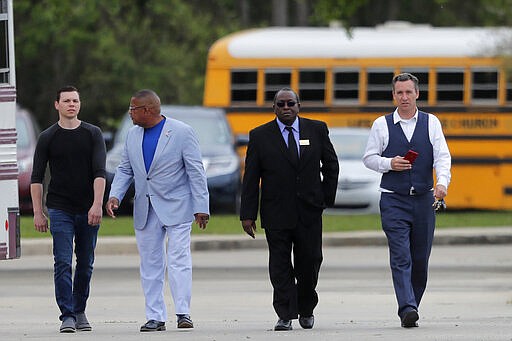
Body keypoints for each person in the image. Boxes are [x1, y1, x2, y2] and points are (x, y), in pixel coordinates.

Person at [105, 89, 209, 332]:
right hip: (145, 207)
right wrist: (115, 195)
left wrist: (201, 206)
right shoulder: (132, 135)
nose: (130, 113)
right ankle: (155, 316)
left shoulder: (182, 132)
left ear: (148, 110)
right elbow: (125, 169)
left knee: (178, 259)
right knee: (150, 264)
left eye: (133, 109)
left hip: (178, 206)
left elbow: (195, 171)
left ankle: (183, 312)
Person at [240, 87, 339, 331]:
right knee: (280, 264)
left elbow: (331, 165)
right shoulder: (260, 136)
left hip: (309, 211)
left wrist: (325, 198)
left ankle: (306, 308)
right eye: (281, 104)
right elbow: (251, 178)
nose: (286, 108)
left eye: (290, 104)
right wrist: (247, 214)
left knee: (310, 261)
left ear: (298, 105)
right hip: (276, 212)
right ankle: (285, 313)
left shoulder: (316, 129)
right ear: (274, 107)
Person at [363, 73, 451, 328]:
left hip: (423, 199)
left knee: (420, 259)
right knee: (400, 256)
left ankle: (412, 303)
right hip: (393, 200)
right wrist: (389, 163)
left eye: (408, 92)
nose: (404, 97)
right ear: (393, 95)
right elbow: (369, 158)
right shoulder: (381, 124)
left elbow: (442, 156)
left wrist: (442, 183)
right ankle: (407, 307)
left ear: (417, 94)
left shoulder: (431, 122)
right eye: (399, 93)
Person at [30, 85, 106, 333]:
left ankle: (79, 308)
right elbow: (37, 178)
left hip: (87, 208)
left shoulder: (93, 134)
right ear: (57, 105)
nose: (71, 104)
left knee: (85, 262)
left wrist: (97, 205)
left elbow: (99, 173)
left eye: (75, 100)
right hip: (59, 207)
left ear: (79, 104)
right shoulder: (47, 137)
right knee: (62, 261)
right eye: (66, 101)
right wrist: (38, 212)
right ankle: (67, 315)